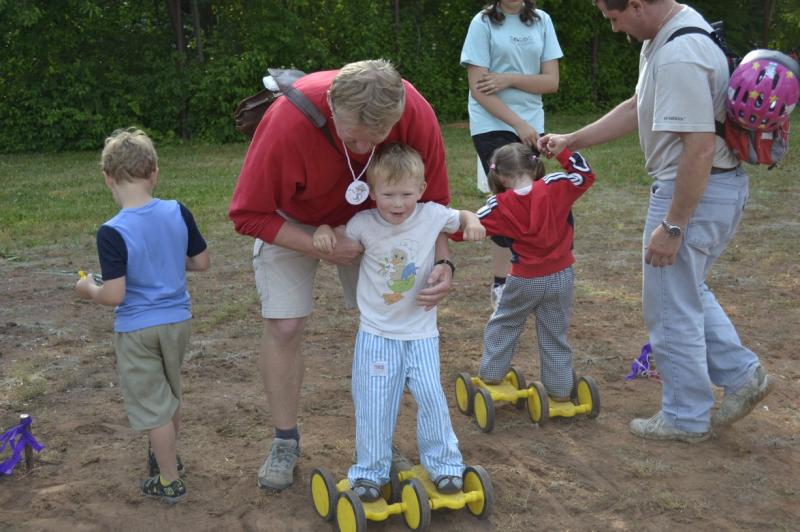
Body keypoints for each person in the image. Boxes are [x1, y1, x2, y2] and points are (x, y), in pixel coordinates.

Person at [539, 0, 773, 443]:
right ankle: (743, 376)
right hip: (714, 190)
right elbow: (637, 105)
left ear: (638, 4)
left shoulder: (679, 54)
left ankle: (685, 416)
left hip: (693, 195)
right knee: (687, 291)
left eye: (614, 17)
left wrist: (674, 225)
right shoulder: (671, 31)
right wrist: (574, 137)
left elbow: (699, 150)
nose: (613, 28)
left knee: (668, 307)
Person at [229, 59, 457, 491]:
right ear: (331, 106)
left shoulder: (416, 112)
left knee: (390, 324)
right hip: (293, 223)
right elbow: (247, 214)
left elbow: (436, 206)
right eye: (353, 137)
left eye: (376, 139)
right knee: (285, 324)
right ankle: (285, 440)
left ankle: (378, 444)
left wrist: (444, 262)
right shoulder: (287, 122)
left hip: (377, 223)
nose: (361, 148)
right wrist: (321, 243)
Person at [312, 143, 485, 500]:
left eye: (406, 194)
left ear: (420, 190)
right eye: (387, 194)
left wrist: (473, 221)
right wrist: (324, 231)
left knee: (432, 398)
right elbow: (339, 233)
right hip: (377, 335)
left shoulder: (432, 215)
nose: (397, 204)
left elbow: (463, 215)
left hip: (422, 334)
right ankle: (369, 473)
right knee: (374, 403)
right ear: (372, 192)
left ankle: (445, 466)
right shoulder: (364, 223)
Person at [75, 128, 210, 503]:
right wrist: (163, 261)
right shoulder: (177, 211)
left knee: (154, 408)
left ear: (108, 178)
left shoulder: (112, 231)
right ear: (154, 173)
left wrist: (88, 289)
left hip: (138, 331)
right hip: (177, 324)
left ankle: (169, 480)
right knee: (168, 397)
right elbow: (201, 261)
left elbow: (114, 294)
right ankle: (168, 456)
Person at [458, 143, 595, 400]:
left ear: (499, 176)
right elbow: (585, 176)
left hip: (525, 278)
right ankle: (560, 388)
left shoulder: (497, 205)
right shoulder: (556, 184)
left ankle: (491, 375)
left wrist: (467, 222)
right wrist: (563, 152)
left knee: (505, 323)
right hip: (562, 275)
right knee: (555, 331)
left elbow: (458, 230)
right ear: (534, 166)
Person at [460, 0, 563, 311]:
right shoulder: (483, 22)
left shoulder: (542, 21)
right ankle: (502, 285)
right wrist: (517, 124)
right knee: (508, 203)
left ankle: (535, 278)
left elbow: (551, 82)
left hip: (532, 126)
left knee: (533, 202)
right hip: (492, 124)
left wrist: (509, 78)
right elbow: (479, 89)